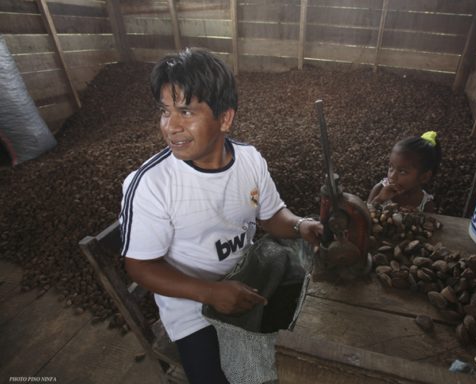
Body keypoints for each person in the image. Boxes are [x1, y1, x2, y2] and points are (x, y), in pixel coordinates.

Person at [118, 48, 323, 384]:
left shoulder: (250, 161)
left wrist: (301, 226)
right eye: (165, 111)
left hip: (250, 277)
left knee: (309, 346)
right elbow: (139, 266)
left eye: (186, 111)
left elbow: (272, 216)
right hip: (193, 309)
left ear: (225, 119)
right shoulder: (151, 185)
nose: (171, 126)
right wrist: (210, 293)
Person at [367, 131, 441, 212]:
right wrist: (379, 199)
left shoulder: (426, 204)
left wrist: (416, 218)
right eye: (391, 167)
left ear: (424, 177)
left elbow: (429, 223)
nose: (392, 176)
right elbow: (363, 217)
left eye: (402, 172)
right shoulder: (379, 189)